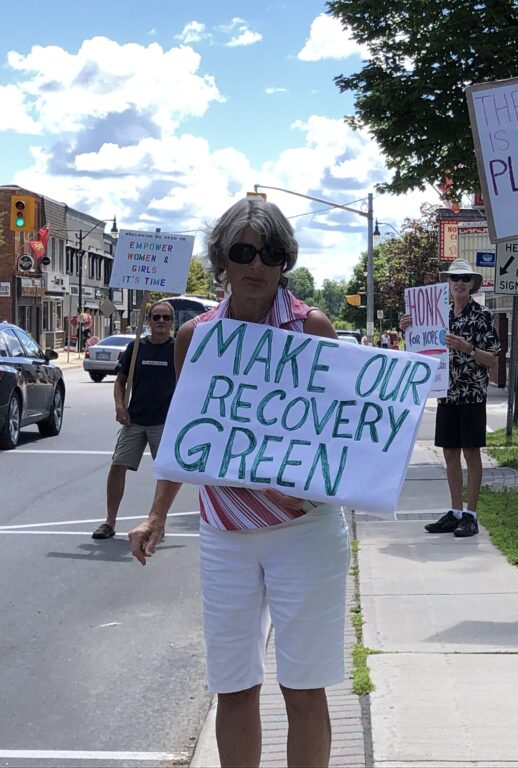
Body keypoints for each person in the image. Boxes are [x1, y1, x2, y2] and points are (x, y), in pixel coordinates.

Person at [127, 198, 349, 768]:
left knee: (302, 688)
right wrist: (156, 512)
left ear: (285, 261)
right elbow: (188, 434)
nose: (258, 264)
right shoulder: (194, 337)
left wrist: (307, 484)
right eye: (244, 251)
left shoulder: (311, 328)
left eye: (271, 253)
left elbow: (339, 438)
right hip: (225, 531)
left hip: (304, 529)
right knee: (233, 685)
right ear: (222, 258)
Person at [400, 258, 499, 537]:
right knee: (450, 453)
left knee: (471, 451)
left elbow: (492, 360)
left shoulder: (482, 316)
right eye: (454, 278)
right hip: (446, 392)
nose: (459, 283)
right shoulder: (438, 314)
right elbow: (419, 343)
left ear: (472, 284)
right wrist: (407, 326)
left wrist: (468, 348)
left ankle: (471, 513)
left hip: (471, 393)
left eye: (464, 279)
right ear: (448, 283)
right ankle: (455, 511)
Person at [92, 302, 176, 540]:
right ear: (148, 320)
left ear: (172, 322)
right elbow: (120, 381)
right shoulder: (136, 347)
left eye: (166, 318)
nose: (161, 321)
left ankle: (157, 522)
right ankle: (109, 522)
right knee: (117, 466)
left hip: (165, 422)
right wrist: (120, 406)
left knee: (166, 474)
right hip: (135, 420)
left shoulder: (177, 347)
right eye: (156, 317)